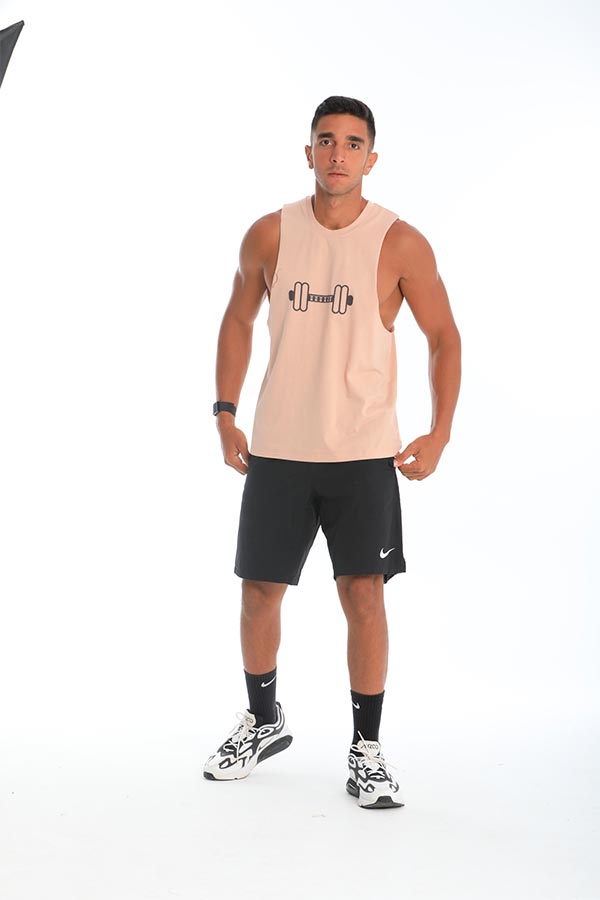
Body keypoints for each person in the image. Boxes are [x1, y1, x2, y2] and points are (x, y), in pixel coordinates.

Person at [204, 95, 462, 809]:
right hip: (279, 450)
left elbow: (444, 337)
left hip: (363, 455)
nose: (338, 153)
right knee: (258, 594)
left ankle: (366, 750)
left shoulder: (399, 242)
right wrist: (224, 413)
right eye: (326, 140)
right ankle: (263, 720)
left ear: (371, 158)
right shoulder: (270, 233)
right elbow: (237, 319)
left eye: (352, 143)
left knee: (364, 597)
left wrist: (439, 431)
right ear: (308, 151)